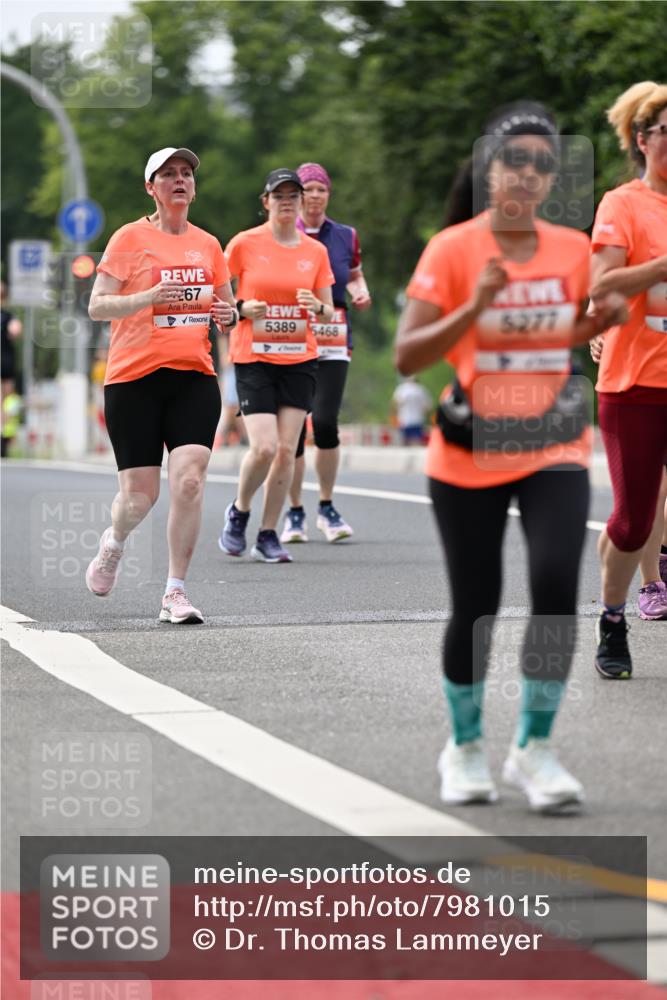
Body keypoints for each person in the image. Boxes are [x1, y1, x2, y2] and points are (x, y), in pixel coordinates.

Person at [396, 101, 627, 812]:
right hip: (468, 452)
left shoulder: (567, 248)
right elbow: (408, 356)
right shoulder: (454, 249)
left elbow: (556, 332)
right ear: (488, 168)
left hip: (551, 441)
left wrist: (599, 320)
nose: (527, 175)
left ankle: (535, 747)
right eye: (514, 161)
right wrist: (474, 307)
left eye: (542, 165)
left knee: (556, 586)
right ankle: (464, 747)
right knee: (476, 606)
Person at [85, 146, 237, 623]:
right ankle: (115, 542)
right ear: (151, 187)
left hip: (193, 376)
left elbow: (227, 310)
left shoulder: (209, 245)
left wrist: (228, 315)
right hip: (133, 380)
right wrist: (148, 297)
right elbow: (97, 306)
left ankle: (175, 591)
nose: (179, 180)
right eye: (168, 174)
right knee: (139, 497)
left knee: (190, 479)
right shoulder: (129, 238)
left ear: (193, 186)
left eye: (186, 173)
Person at [588, 80, 667, 675]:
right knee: (633, 521)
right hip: (636, 383)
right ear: (643, 140)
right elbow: (602, 284)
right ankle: (613, 618)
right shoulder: (623, 204)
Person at [219, 168, 335, 562]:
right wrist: (240, 308)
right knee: (265, 447)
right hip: (254, 358)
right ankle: (239, 510)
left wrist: (315, 307)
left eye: (293, 196)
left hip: (299, 359)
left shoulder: (314, 252)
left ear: (301, 203)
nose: (287, 202)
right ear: (265, 202)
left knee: (288, 450)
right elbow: (214, 297)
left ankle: (268, 533)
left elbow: (328, 311)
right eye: (279, 195)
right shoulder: (244, 244)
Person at [277, 162, 372, 544]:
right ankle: (295, 511)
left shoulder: (345, 236)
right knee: (295, 430)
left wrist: (359, 291)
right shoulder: (283, 234)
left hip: (333, 335)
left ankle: (327, 507)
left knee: (327, 421)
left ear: (327, 195)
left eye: (321, 189)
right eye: (308, 189)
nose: (315, 196)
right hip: (291, 337)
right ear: (298, 197)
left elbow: (353, 274)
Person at [590, 333, 667, 620]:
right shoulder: (631, 285)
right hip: (635, 385)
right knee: (651, 494)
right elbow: (599, 303)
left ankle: (663, 555)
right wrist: (598, 334)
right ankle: (650, 585)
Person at [391, 376, 432, 446]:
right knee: (417, 441)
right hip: (417, 419)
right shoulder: (421, 389)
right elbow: (427, 407)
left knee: (405, 442)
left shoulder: (402, 389)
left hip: (405, 420)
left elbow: (396, 403)